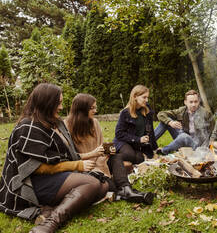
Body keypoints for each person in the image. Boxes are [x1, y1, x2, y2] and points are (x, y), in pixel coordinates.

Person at [0, 83, 108, 233]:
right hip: (32, 183)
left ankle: (51, 209)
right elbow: (38, 168)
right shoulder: (28, 127)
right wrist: (76, 166)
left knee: (103, 186)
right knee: (91, 183)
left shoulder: (54, 123)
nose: (61, 107)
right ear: (47, 103)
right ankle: (51, 222)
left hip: (55, 176)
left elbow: (63, 155)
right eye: (59, 103)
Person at [65, 93, 153, 204]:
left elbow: (101, 145)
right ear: (81, 110)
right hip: (85, 167)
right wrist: (93, 153)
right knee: (110, 185)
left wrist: (108, 150)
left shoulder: (95, 123)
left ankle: (126, 189)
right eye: (92, 108)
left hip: (101, 161)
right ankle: (125, 193)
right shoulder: (67, 127)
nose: (95, 110)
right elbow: (70, 156)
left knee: (117, 156)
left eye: (95, 107)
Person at [155, 90, 214, 154]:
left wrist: (205, 149)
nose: (193, 104)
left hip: (196, 145)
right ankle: (148, 144)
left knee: (183, 136)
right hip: (183, 137)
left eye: (196, 102)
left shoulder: (206, 114)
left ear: (199, 101)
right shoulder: (182, 111)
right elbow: (161, 114)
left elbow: (212, 133)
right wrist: (170, 122)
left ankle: (164, 150)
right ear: (185, 102)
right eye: (191, 102)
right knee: (165, 122)